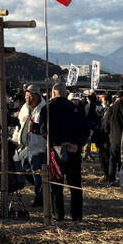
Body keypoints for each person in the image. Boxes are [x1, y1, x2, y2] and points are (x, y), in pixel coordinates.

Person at [46, 80, 87, 226]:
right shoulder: (77, 110)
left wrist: (57, 142)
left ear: (53, 93)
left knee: (56, 185)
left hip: (56, 150)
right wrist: (77, 144)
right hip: (74, 150)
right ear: (66, 93)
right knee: (75, 185)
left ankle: (59, 216)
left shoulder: (48, 109)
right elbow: (85, 131)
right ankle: (77, 216)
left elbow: (44, 130)